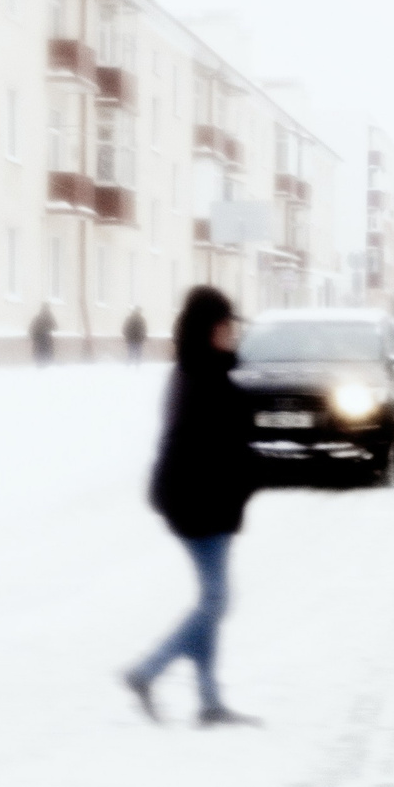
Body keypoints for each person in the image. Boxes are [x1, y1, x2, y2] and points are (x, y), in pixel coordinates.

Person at [127, 288, 259, 727]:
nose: (233, 333)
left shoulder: (200, 372)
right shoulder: (203, 379)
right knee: (216, 602)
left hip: (200, 502)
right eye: (226, 326)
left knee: (213, 599)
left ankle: (208, 702)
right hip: (198, 504)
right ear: (209, 330)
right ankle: (147, 672)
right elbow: (215, 449)